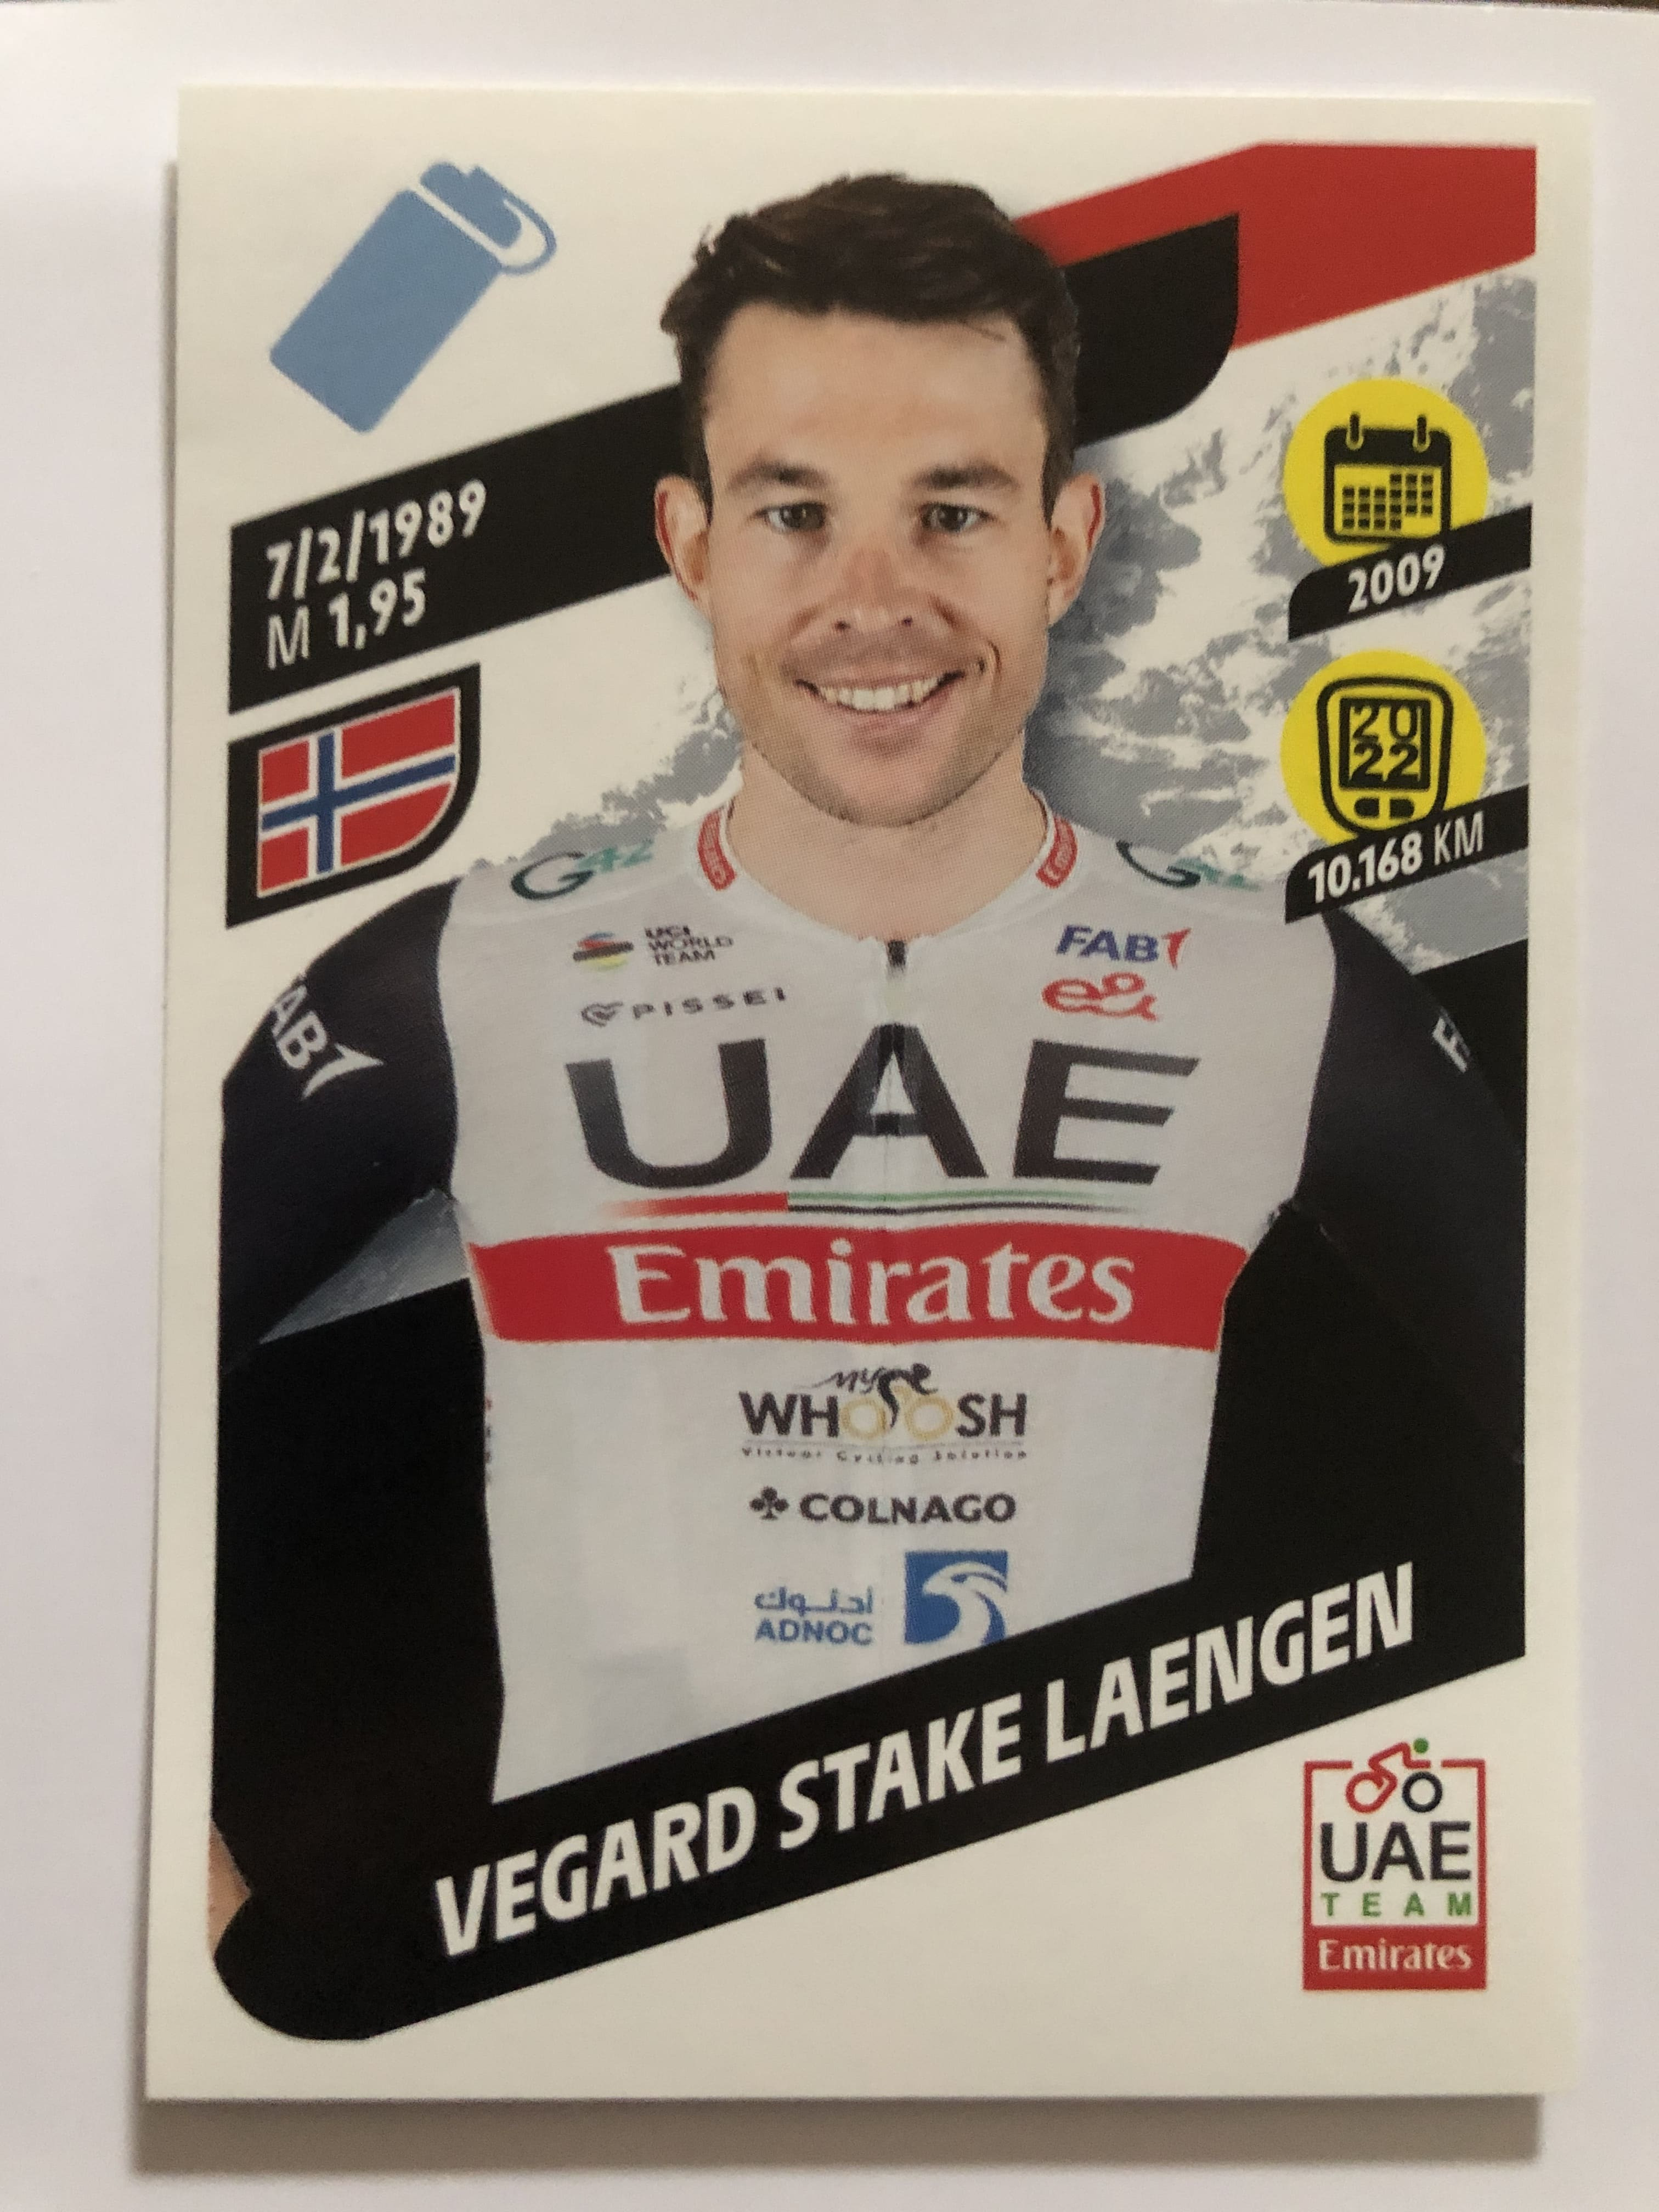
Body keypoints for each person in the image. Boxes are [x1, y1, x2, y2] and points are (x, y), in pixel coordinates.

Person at [212, 176, 1522, 1945]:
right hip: (597, 2019)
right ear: (693, 546)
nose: (874, 598)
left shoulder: (1280, 978)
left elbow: (1605, 1453)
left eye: (952, 512)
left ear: (1064, 543)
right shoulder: (454, 972)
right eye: (796, 514)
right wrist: (231, 1943)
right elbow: (67, 1402)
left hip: (1090, 1994)